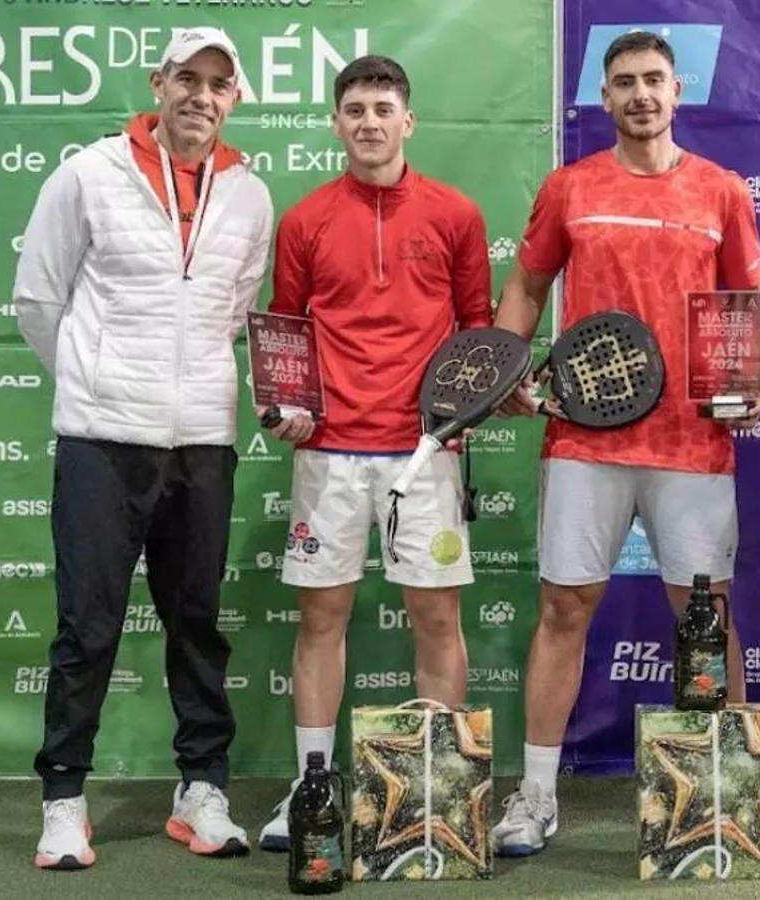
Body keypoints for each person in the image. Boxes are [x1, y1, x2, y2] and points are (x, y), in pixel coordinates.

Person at [488, 31, 760, 857]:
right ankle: (535, 794)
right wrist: (507, 368)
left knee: (705, 621)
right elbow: (528, 284)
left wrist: (745, 386)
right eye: (624, 83)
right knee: (563, 608)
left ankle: (728, 792)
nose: (640, 95)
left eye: (653, 80)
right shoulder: (570, 187)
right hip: (584, 437)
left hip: (693, 442)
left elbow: (745, 302)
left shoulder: (722, 192)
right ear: (603, 98)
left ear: (678, 91)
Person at [12, 27, 273, 870]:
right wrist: (93, 385)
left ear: (234, 99)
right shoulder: (88, 174)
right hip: (100, 440)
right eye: (187, 79)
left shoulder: (251, 196)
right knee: (87, 628)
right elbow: (37, 299)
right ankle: (63, 798)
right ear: (159, 83)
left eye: (218, 85)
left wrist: (180, 391)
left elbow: (235, 310)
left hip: (203, 440)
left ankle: (201, 789)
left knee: (196, 621)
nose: (201, 96)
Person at [253, 55, 492, 851]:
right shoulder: (305, 219)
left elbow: (478, 330)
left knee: (436, 615)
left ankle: (436, 791)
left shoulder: (456, 214)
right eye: (354, 109)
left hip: (426, 451)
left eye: (383, 108)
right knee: (322, 617)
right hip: (329, 451)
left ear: (408, 121)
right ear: (335, 122)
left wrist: (462, 416)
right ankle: (312, 786)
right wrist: (281, 406)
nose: (369, 122)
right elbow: (284, 332)